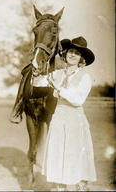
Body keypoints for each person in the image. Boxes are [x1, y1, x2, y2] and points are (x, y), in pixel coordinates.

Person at [41, 36, 97, 191]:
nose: (72, 55)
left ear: (82, 59)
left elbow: (78, 100)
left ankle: (81, 187)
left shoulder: (85, 77)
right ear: (65, 54)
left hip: (75, 121)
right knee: (58, 156)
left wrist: (59, 89)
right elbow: (39, 81)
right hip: (59, 119)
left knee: (76, 158)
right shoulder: (57, 74)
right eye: (70, 51)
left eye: (77, 53)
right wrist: (39, 62)